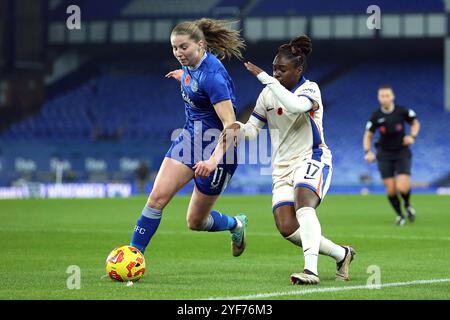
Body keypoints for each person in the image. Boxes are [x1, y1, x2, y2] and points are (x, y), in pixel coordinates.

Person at [221, 35, 355, 285]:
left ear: (298, 69)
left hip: (312, 157)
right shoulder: (267, 95)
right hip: (282, 166)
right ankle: (342, 253)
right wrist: (236, 127)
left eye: (282, 69)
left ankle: (310, 271)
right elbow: (252, 130)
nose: (276, 73)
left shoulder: (310, 89)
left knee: (304, 204)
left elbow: (294, 106)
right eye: (274, 69)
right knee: (286, 227)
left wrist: (265, 77)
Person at [130, 18, 248, 257]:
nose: (178, 53)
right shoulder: (189, 65)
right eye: (174, 48)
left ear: (200, 45)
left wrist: (213, 161)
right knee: (156, 197)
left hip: (219, 151)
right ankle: (133, 256)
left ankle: (236, 224)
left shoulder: (213, 78)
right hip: (190, 140)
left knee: (196, 222)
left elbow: (232, 126)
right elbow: (193, 79)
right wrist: (181, 75)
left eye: (183, 47)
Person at [363, 85, 420, 226]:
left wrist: (412, 136)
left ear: (392, 96)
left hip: (402, 152)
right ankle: (400, 215)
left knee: (403, 187)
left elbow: (415, 123)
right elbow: (368, 135)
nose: (385, 98)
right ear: (378, 98)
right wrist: (368, 152)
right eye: (382, 96)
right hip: (384, 154)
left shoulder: (402, 111)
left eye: (387, 95)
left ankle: (407, 205)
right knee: (391, 188)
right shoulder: (376, 116)